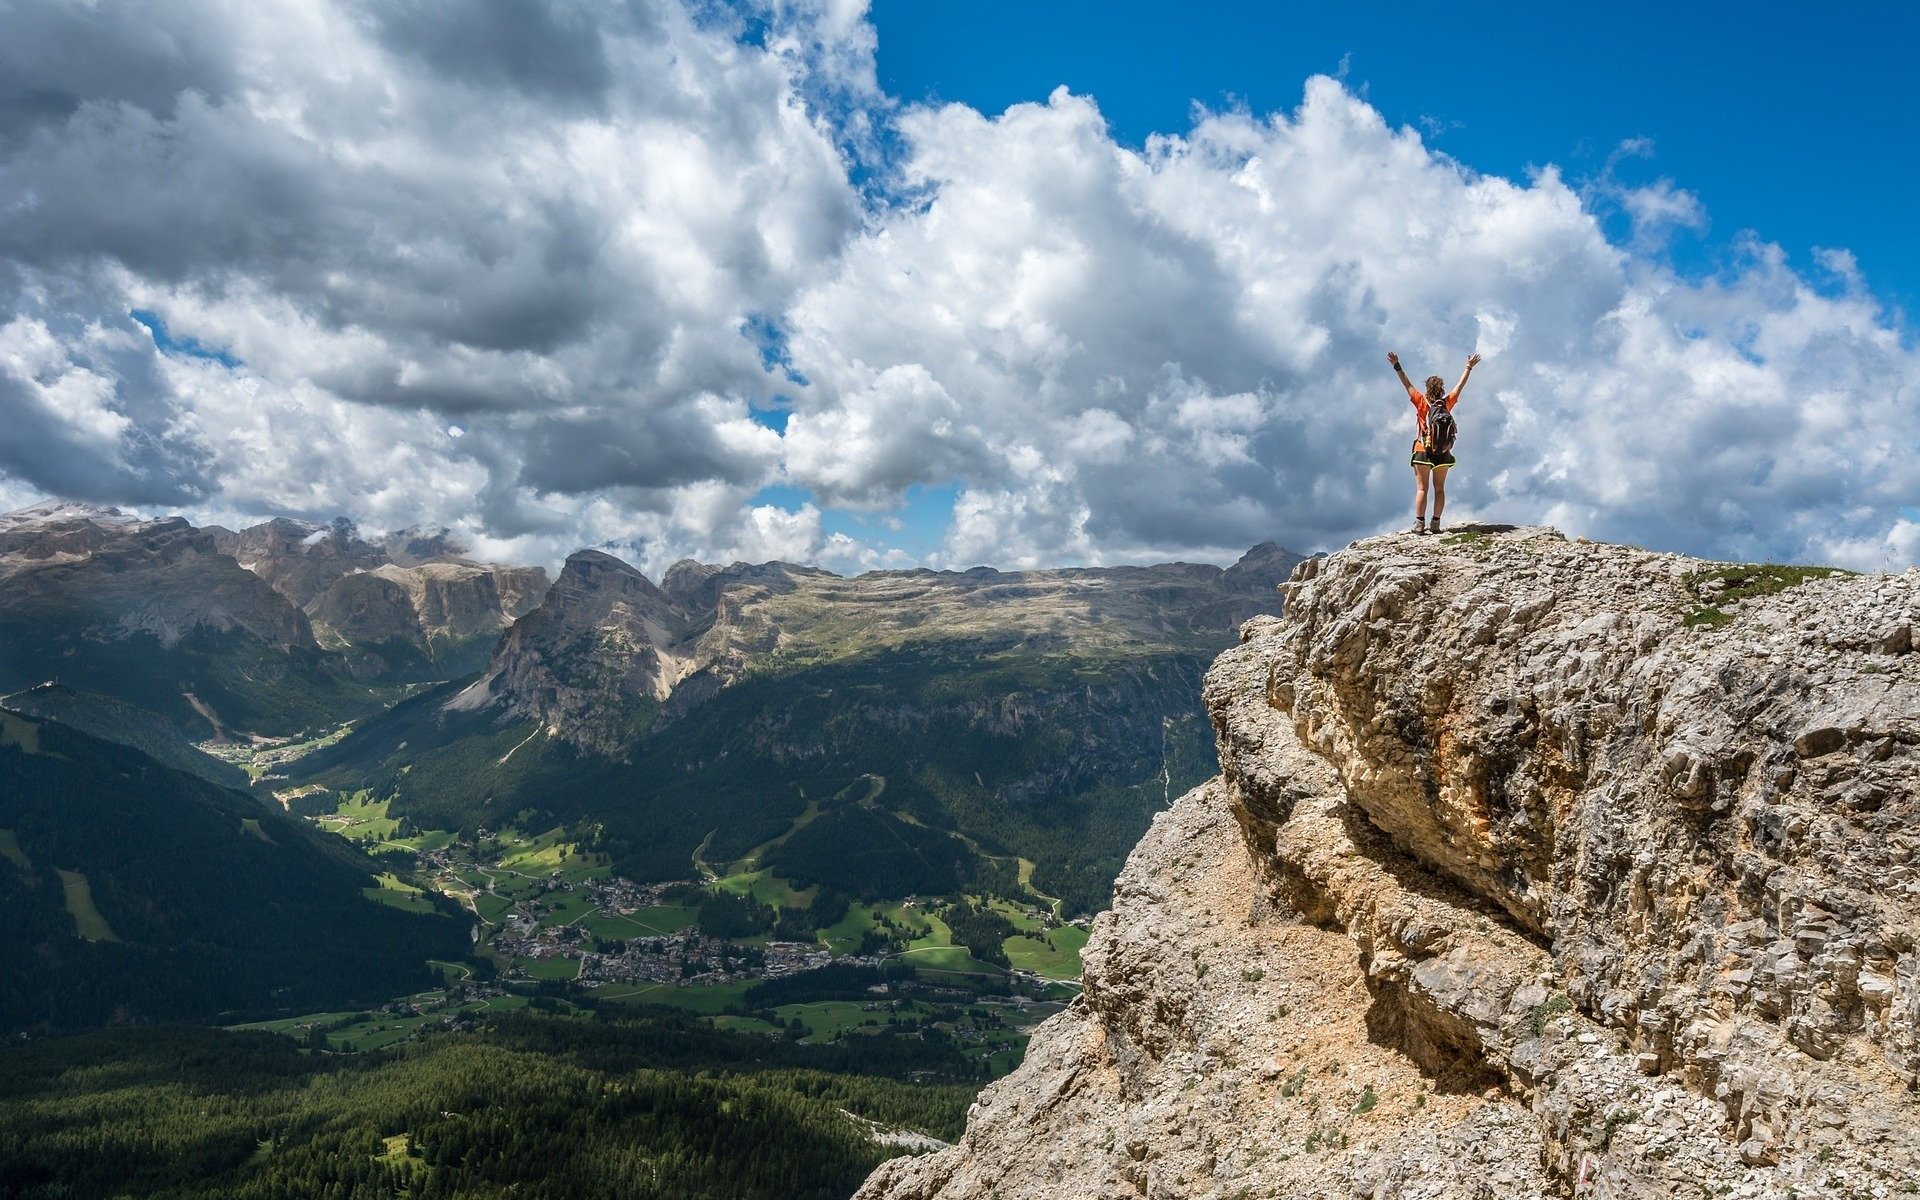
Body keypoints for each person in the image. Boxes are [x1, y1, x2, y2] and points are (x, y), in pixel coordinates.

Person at [1388, 350, 1480, 534]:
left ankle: (1419, 524)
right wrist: (1468, 367)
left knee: (1422, 489)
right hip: (1443, 452)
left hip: (1423, 450)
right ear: (1441, 389)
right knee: (1440, 489)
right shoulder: (1447, 403)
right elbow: (1459, 386)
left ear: (1427, 389)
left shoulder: (1421, 401)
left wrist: (1396, 365)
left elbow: (1406, 383)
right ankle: (1436, 523)